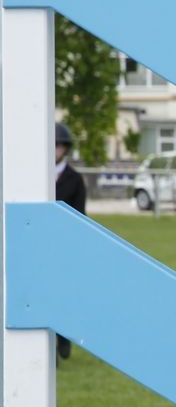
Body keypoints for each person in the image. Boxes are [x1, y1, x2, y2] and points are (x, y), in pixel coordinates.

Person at [55, 120, 86, 359]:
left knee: (63, 294)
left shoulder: (75, 179)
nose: (54, 150)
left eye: (58, 145)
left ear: (65, 148)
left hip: (64, 244)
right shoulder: (34, 177)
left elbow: (79, 214)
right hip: (39, 244)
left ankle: (63, 339)